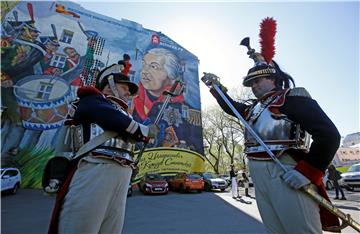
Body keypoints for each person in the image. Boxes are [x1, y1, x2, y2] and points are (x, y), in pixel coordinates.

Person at [204, 17, 341, 233]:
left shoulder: (292, 98)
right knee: (275, 230)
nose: (254, 86)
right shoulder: (254, 109)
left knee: (301, 230)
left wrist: (308, 172)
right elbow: (232, 107)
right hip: (257, 174)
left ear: (274, 79)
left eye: (258, 80)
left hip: (285, 169)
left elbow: (329, 135)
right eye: (251, 83)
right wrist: (216, 87)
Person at [48, 64, 158, 234]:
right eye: (124, 87)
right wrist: (144, 130)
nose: (128, 93)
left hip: (122, 172)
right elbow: (115, 120)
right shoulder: (91, 100)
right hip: (95, 165)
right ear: (109, 85)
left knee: (111, 229)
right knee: (82, 226)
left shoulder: (125, 113)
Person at [131, 47, 203, 153]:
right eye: (144, 65)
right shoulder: (133, 104)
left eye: (154, 67)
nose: (145, 71)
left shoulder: (186, 111)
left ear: (171, 76)